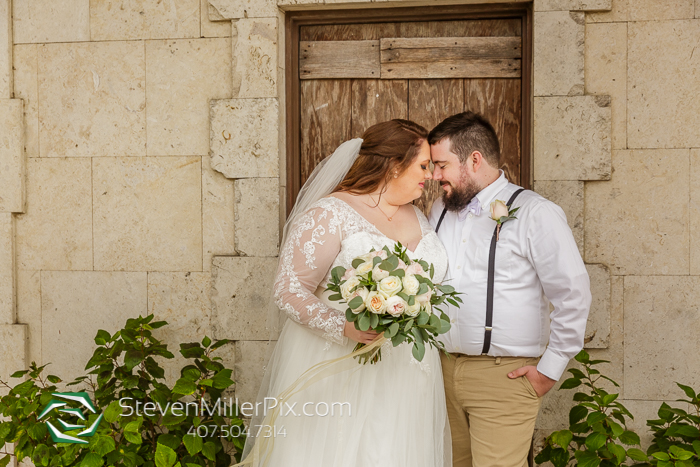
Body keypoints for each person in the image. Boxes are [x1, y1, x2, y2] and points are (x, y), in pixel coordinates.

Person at [239, 120, 451, 466]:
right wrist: (345, 326)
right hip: (343, 364)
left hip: (406, 373)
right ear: (395, 165)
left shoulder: (418, 215)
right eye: (423, 165)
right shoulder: (331, 213)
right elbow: (288, 289)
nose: (429, 175)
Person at [427, 111, 591, 467]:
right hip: (440, 372)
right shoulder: (439, 208)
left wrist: (549, 369)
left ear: (474, 160)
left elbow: (573, 294)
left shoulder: (536, 213)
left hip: (503, 376)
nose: (434, 176)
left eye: (441, 165)